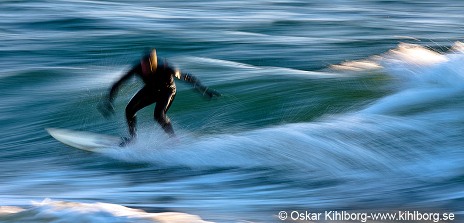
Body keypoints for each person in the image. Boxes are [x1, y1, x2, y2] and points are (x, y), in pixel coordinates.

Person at [99, 49, 220, 145]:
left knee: (158, 115)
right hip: (151, 89)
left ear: (154, 64)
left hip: (167, 91)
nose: (144, 69)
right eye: (143, 65)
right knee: (129, 110)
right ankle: (133, 139)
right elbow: (119, 82)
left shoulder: (166, 68)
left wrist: (203, 89)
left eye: (147, 66)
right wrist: (109, 100)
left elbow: (186, 77)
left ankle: (174, 140)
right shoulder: (138, 68)